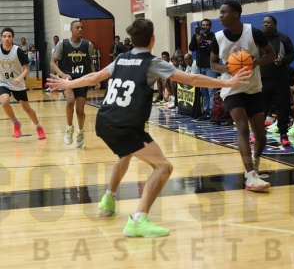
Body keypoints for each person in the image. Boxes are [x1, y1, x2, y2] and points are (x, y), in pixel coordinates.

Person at [46, 18, 251, 237]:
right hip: (125, 125)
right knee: (164, 168)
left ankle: (108, 198)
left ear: (132, 40)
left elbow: (94, 77)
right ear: (153, 39)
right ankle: (138, 220)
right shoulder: (152, 63)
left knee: (125, 155)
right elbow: (191, 79)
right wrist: (226, 82)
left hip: (104, 121)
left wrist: (68, 83)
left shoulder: (121, 58)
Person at [210, 1, 276, 191]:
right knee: (242, 128)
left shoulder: (253, 32)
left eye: (224, 12)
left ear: (236, 14)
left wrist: (255, 62)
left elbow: (271, 55)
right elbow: (213, 63)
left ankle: (255, 162)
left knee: (261, 136)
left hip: (253, 88)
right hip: (231, 89)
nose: (220, 15)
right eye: (220, 12)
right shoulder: (218, 37)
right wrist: (226, 68)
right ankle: (251, 175)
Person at [50, 20, 98, 148]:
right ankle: (69, 127)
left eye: (81, 27)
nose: (80, 29)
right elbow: (52, 62)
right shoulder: (63, 44)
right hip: (68, 80)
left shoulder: (88, 45)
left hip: (82, 79)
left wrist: (95, 78)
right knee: (70, 101)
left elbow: (91, 63)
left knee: (80, 110)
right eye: (77, 27)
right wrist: (62, 75)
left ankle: (81, 131)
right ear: (71, 29)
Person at [0, 27, 46, 139]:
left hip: (17, 83)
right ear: (1, 38)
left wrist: (19, 78)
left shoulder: (18, 51)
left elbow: (26, 69)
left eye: (9, 36)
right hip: (3, 82)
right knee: (4, 102)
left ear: (13, 38)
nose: (7, 38)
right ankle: (15, 123)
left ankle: (39, 127)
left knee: (26, 108)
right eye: (4, 36)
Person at [260, 16, 294, 146]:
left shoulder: (283, 38)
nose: (265, 24)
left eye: (268, 22)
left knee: (282, 108)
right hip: (263, 79)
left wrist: (283, 61)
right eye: (264, 22)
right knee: (261, 108)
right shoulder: (259, 39)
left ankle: (283, 135)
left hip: (281, 80)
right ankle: (259, 134)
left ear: (275, 24)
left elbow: (292, 54)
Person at [189, 19, 218, 121]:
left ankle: (213, 112)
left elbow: (213, 51)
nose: (205, 27)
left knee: (211, 90)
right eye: (203, 25)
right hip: (201, 67)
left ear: (210, 26)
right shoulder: (198, 36)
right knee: (204, 91)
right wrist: (194, 35)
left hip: (210, 67)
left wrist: (203, 42)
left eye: (207, 25)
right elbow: (191, 48)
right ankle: (206, 111)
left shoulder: (214, 37)